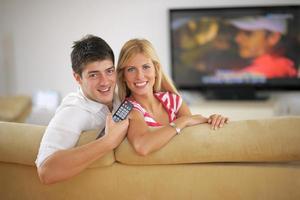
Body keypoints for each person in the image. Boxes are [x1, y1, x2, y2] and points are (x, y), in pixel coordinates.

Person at [35, 35, 129, 184]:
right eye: (94, 75)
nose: (105, 81)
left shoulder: (122, 94)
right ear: (77, 78)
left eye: (109, 71)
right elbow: (46, 171)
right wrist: (108, 142)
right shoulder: (73, 111)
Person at [116, 39, 228, 156]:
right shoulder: (131, 109)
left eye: (146, 67)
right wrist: (183, 121)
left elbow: (193, 137)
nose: (139, 76)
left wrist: (211, 120)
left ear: (156, 70)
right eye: (131, 69)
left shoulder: (173, 100)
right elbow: (142, 146)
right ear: (123, 76)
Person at [229, 14, 297, 78]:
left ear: (273, 37)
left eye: (248, 33)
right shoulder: (282, 64)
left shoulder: (272, 69)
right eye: (237, 32)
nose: (237, 39)